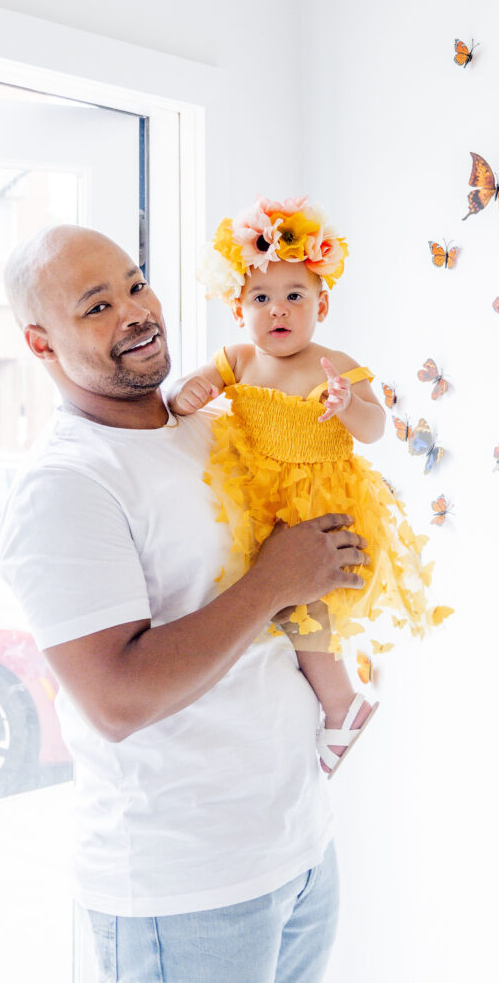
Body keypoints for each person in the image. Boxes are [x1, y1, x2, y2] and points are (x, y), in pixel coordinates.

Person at [0, 224, 371, 983]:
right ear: (41, 344)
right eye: (96, 306)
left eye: (136, 284)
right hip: (186, 891)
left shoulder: (208, 424)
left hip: (297, 848)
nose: (136, 312)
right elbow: (118, 698)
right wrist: (276, 580)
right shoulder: (67, 484)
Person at [172, 195, 451, 778]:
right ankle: (304, 703)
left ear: (321, 304)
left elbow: (375, 430)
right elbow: (193, 386)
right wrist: (188, 394)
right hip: (256, 497)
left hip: (321, 505)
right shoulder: (239, 358)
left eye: (295, 296)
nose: (279, 310)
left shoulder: (334, 363)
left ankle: (342, 703)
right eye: (261, 298)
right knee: (261, 604)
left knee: (308, 612)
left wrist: (349, 405)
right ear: (238, 308)